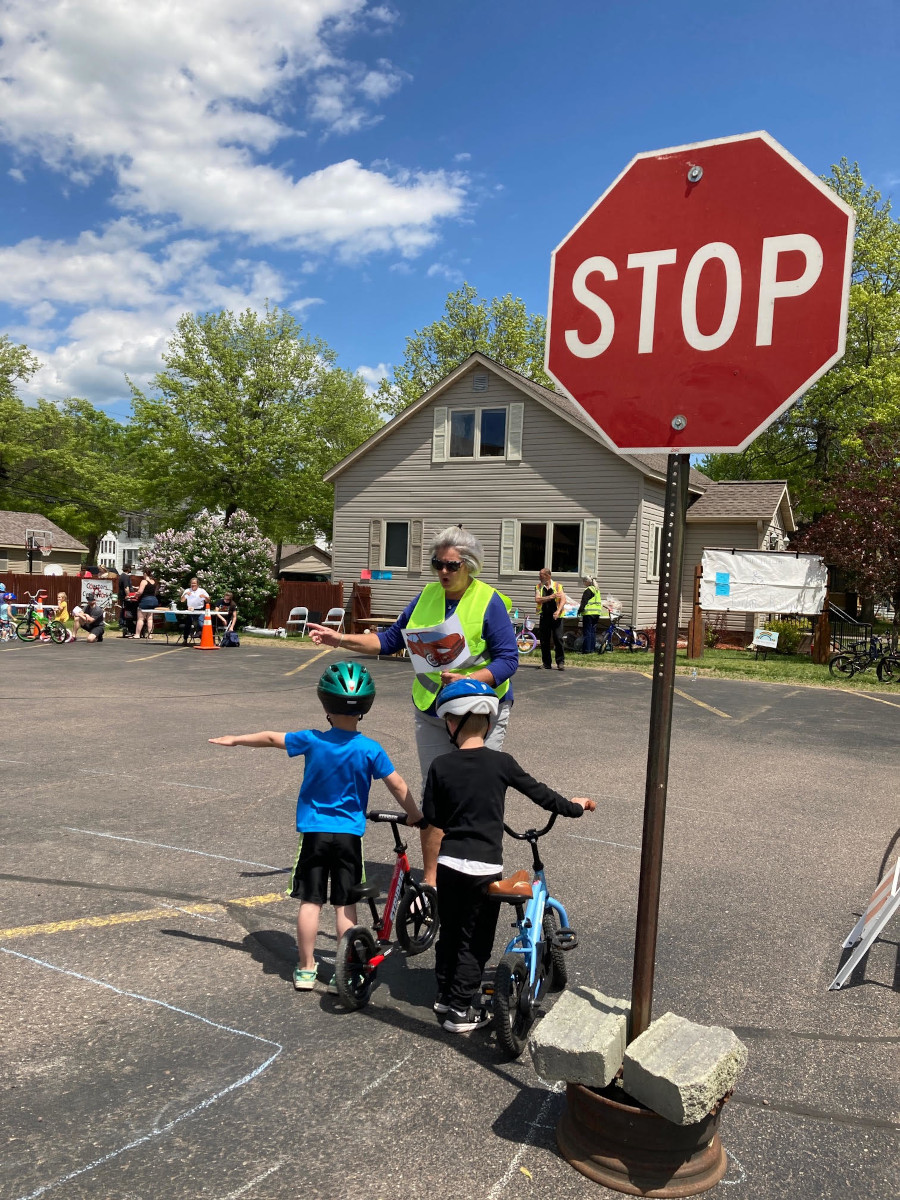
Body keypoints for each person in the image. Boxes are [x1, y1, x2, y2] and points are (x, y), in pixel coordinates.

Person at [307, 525, 519, 886]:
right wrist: (339, 638)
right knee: (435, 793)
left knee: (478, 791)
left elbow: (508, 659)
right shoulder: (426, 596)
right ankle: (433, 881)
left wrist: (472, 679)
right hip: (433, 710)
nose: (444, 572)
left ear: (470, 565)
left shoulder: (489, 601)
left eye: (452, 566)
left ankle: (482, 874)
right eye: (438, 564)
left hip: (478, 715)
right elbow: (390, 640)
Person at [209, 662, 423, 990]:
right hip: (349, 835)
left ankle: (307, 968)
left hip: (314, 833)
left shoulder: (312, 740)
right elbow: (396, 784)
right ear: (365, 708)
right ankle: (345, 969)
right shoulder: (370, 749)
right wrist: (415, 815)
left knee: (310, 902)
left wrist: (236, 739)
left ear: (325, 704)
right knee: (344, 905)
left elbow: (269, 737)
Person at [423, 679, 595, 1033]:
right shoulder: (501, 763)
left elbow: (434, 818)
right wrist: (574, 807)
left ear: (450, 723)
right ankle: (459, 1010)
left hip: (449, 864)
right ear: (487, 723)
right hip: (483, 867)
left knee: (452, 931)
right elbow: (543, 795)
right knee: (477, 939)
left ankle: (444, 994)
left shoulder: (440, 765)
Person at [536, 567, 566, 671]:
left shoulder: (558, 586)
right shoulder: (539, 586)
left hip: (556, 616)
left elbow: (563, 599)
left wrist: (558, 611)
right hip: (544, 616)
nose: (539, 577)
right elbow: (537, 599)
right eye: (539, 575)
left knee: (558, 638)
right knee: (544, 640)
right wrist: (550, 597)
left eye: (541, 575)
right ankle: (546, 663)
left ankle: (560, 662)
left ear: (548, 576)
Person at [577, 576, 604, 654]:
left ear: (587, 582)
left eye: (584, 582)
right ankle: (592, 649)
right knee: (593, 632)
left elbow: (584, 602)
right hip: (597, 613)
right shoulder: (597, 590)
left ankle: (586, 650)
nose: (583, 583)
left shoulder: (588, 590)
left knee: (587, 631)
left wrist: (579, 611)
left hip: (589, 613)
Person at [180, 577, 210, 643]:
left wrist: (205, 597)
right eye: (192, 583)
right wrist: (185, 594)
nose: (193, 585)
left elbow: (208, 600)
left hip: (200, 610)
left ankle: (203, 638)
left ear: (197, 584)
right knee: (187, 624)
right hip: (190, 610)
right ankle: (185, 639)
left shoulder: (202, 591)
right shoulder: (187, 590)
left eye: (194, 583)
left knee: (201, 624)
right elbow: (182, 600)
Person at [134, 568, 158, 640]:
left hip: (145, 600)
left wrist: (136, 594)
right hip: (153, 600)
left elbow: (140, 592)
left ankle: (137, 634)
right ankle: (150, 635)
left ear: (145, 574)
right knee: (150, 619)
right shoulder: (153, 582)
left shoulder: (144, 581)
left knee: (141, 618)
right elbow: (154, 591)